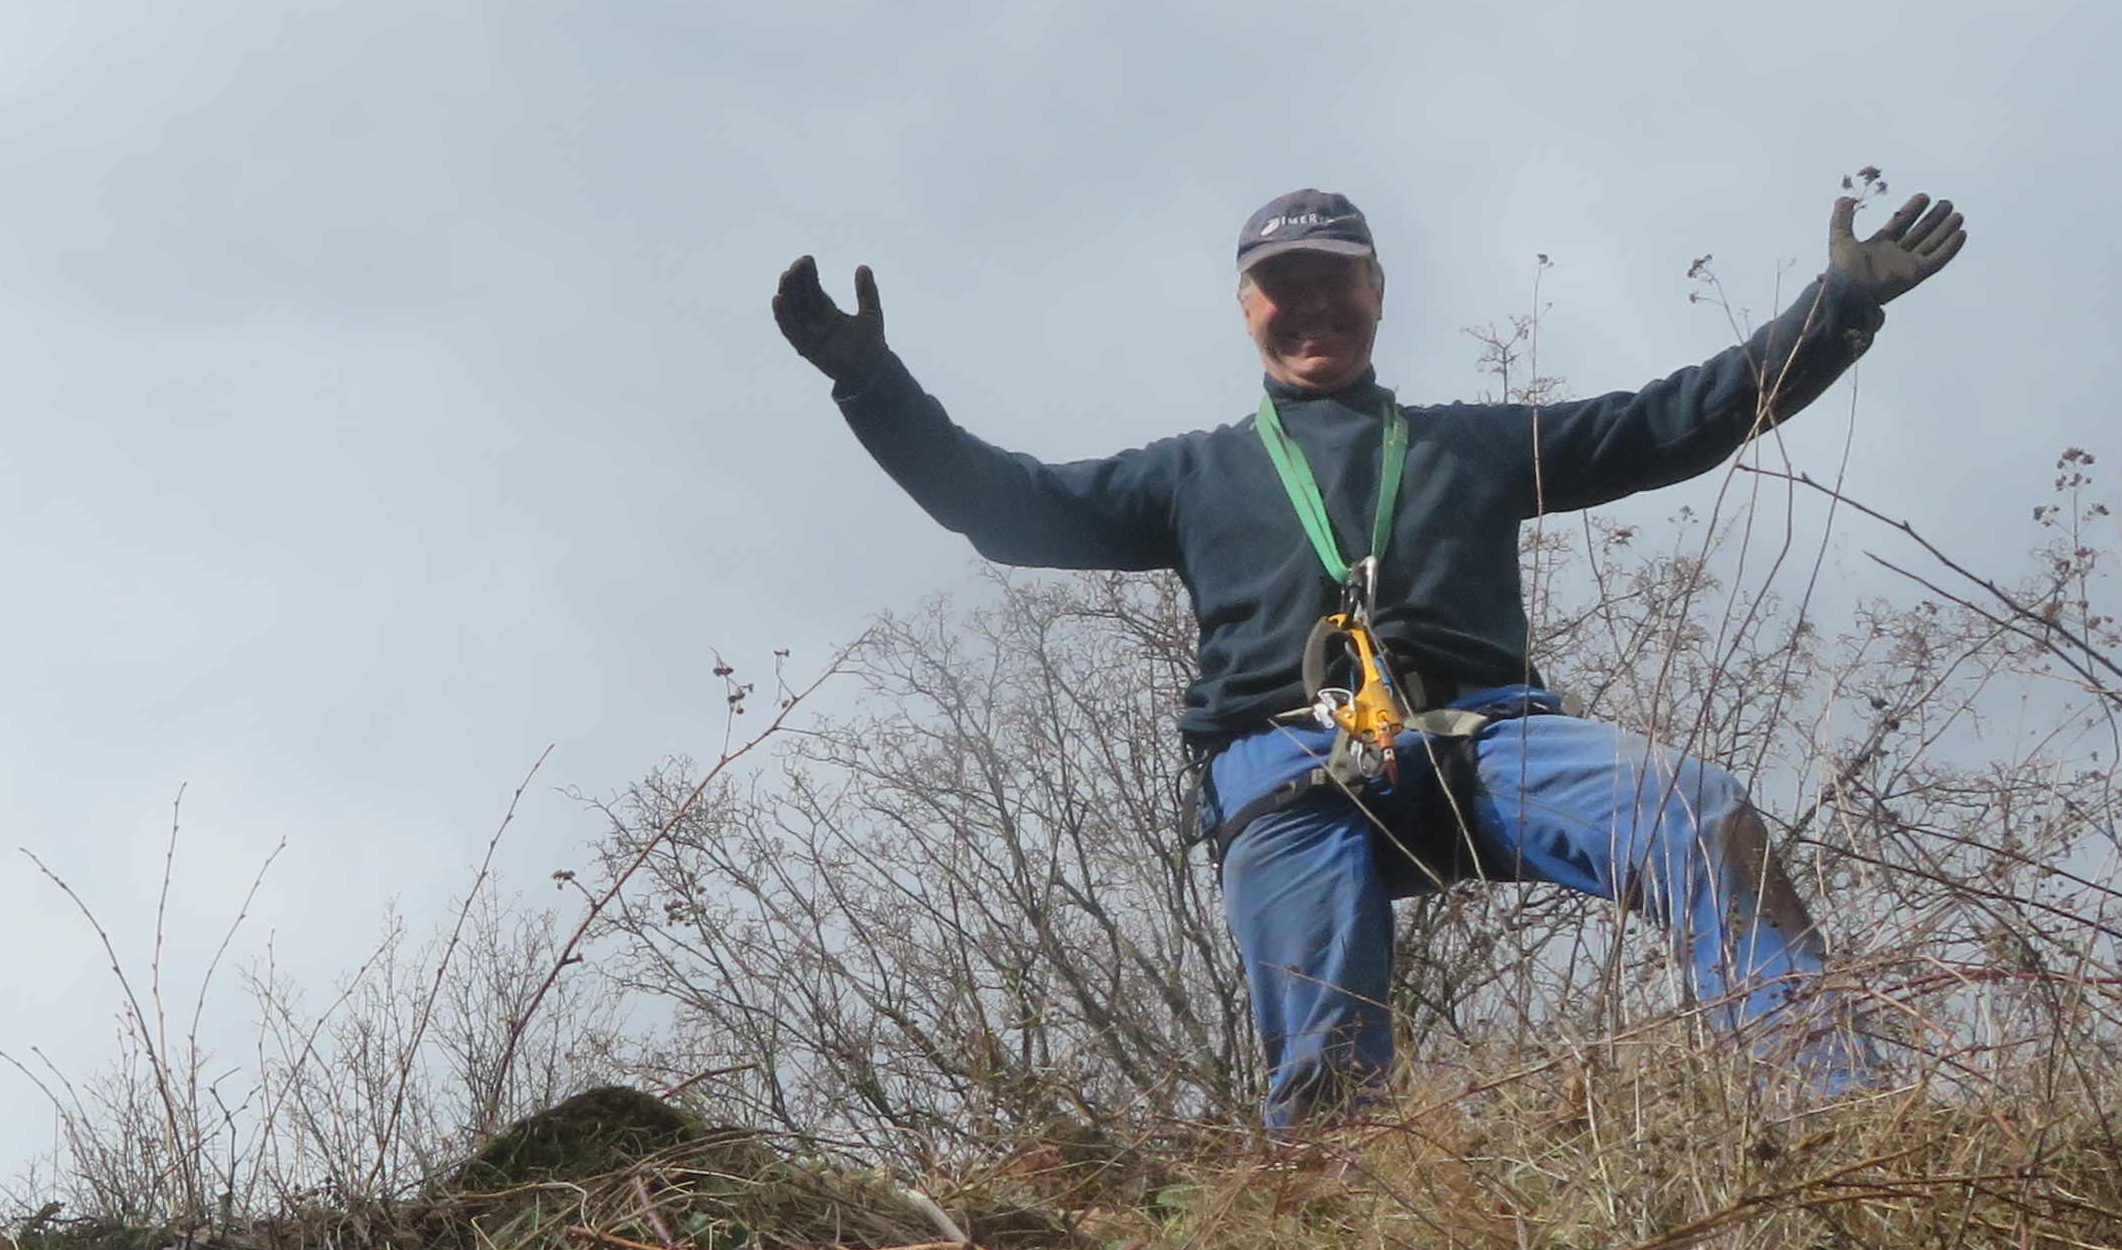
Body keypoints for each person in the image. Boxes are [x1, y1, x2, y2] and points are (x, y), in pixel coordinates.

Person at [772, 181, 1968, 1122]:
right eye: (1281, 287)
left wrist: (1837, 309)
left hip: (1489, 733)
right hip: (1284, 762)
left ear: (1378, 293)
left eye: (1333, 281)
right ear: (1246, 307)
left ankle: (1835, 1107)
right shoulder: (1191, 477)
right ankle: (1332, 1216)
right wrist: (875, 387)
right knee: (1324, 1031)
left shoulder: (1472, 445)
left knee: (1693, 810)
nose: (1311, 307)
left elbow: (1676, 422)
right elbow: (1003, 506)